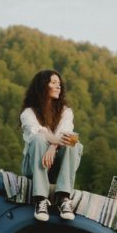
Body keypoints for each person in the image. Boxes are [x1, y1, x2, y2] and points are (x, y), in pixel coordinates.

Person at [20, 69, 83, 222]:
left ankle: (63, 198)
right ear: (42, 86)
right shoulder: (28, 113)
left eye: (59, 84)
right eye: (53, 83)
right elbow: (39, 132)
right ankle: (40, 199)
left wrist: (53, 147)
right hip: (34, 167)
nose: (58, 87)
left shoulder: (65, 112)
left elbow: (65, 133)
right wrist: (52, 142)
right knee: (38, 138)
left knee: (73, 142)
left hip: (57, 169)